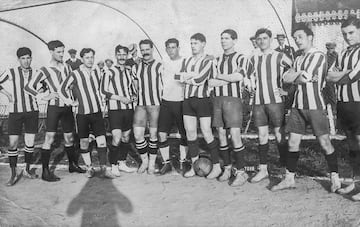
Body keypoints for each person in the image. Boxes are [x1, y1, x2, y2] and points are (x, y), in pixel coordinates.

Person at [271, 24, 341, 192]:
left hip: (315, 106)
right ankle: (289, 178)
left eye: (300, 37)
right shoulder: (298, 57)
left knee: (324, 142)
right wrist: (296, 76)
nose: (297, 40)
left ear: (310, 37)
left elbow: (304, 77)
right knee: (293, 142)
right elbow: (287, 78)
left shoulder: (318, 55)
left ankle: (335, 178)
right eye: (295, 38)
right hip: (297, 106)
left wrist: (295, 76)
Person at [25, 40, 84, 182]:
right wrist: (45, 96)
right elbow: (29, 87)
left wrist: (74, 98)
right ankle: (46, 172)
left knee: (69, 137)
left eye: (63, 51)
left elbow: (72, 85)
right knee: (49, 138)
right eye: (58, 52)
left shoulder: (68, 67)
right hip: (54, 108)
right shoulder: (45, 69)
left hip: (67, 108)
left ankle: (72, 165)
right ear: (51, 52)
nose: (61, 54)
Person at [59, 48, 115, 179]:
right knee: (84, 142)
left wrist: (103, 101)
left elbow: (101, 90)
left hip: (97, 113)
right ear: (82, 59)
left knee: (102, 141)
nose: (90, 60)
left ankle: (103, 168)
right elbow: (61, 89)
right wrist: (70, 102)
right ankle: (89, 168)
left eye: (92, 57)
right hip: (82, 114)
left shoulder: (97, 72)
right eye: (87, 57)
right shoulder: (75, 74)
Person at [246, 28, 292, 183]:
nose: (262, 41)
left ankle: (286, 168)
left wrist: (286, 91)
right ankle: (263, 169)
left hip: (275, 101)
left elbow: (294, 71)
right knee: (262, 135)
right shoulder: (253, 58)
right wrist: (248, 85)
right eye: (259, 39)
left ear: (270, 39)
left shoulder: (280, 56)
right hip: (259, 102)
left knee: (280, 135)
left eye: (265, 38)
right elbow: (246, 75)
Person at [207, 29, 249, 185]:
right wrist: (228, 79)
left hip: (233, 99)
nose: (223, 41)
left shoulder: (240, 58)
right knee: (221, 134)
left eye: (227, 38)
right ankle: (227, 168)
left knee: (235, 134)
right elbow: (210, 82)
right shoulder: (216, 60)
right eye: (221, 38)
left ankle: (241, 172)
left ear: (234, 40)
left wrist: (220, 76)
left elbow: (239, 77)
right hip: (217, 99)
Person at [326, 16, 360, 200]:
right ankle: (355, 183)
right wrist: (344, 73)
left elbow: (351, 78)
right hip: (344, 104)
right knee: (352, 146)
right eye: (345, 34)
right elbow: (329, 76)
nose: (348, 37)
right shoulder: (344, 53)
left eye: (352, 32)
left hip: (359, 104)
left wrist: (343, 74)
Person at [176, 33, 218, 178]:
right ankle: (195, 167)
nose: (193, 46)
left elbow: (200, 79)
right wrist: (189, 76)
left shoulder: (208, 61)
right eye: (191, 43)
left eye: (196, 43)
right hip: (188, 100)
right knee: (190, 133)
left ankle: (217, 166)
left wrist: (187, 76)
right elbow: (178, 77)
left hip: (202, 100)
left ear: (203, 44)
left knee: (207, 132)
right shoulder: (186, 60)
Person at [0, 47, 39, 186]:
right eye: (23, 58)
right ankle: (13, 174)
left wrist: (38, 92)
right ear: (18, 60)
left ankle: (27, 170)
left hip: (32, 111)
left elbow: (45, 86)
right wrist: (8, 94)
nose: (26, 61)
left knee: (30, 143)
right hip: (15, 112)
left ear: (31, 58)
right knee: (13, 144)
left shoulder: (36, 72)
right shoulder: (12, 72)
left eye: (28, 57)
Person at [101, 45, 138, 176]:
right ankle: (113, 164)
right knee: (116, 137)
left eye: (124, 55)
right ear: (116, 55)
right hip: (115, 109)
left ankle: (122, 162)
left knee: (126, 137)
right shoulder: (109, 71)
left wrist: (133, 96)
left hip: (128, 109)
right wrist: (120, 98)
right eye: (119, 54)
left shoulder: (129, 71)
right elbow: (103, 91)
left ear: (127, 56)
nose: (122, 57)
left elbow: (132, 89)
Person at [157, 38, 188, 175]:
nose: (171, 50)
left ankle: (183, 161)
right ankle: (166, 163)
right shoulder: (163, 63)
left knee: (184, 133)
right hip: (166, 102)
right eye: (168, 47)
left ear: (178, 48)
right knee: (162, 134)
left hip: (181, 101)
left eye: (173, 47)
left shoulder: (185, 62)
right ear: (166, 49)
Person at [133, 39, 163, 174]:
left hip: (155, 105)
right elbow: (135, 85)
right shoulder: (136, 67)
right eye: (142, 50)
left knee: (153, 135)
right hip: (140, 105)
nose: (145, 52)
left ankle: (151, 163)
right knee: (138, 134)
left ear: (152, 49)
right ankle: (144, 161)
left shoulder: (160, 65)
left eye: (147, 49)